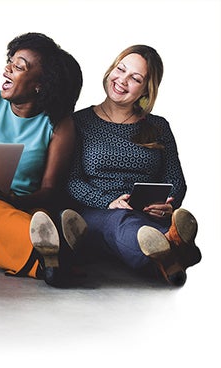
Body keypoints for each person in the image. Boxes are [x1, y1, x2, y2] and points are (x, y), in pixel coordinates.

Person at [0, 32, 83, 287]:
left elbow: (49, 190)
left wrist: (14, 199)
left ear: (39, 84)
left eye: (18, 66)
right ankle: (60, 254)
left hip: (28, 205)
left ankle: (52, 255)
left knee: (38, 217)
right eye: (10, 61)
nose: (6, 70)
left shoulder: (59, 124)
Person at [66, 45, 199, 286]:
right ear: (111, 70)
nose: (122, 80)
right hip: (101, 211)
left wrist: (168, 205)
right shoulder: (79, 121)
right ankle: (175, 248)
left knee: (144, 225)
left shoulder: (158, 126)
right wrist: (107, 201)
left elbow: (176, 180)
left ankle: (166, 248)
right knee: (122, 223)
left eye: (135, 78)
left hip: (148, 212)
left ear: (146, 90)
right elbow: (72, 179)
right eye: (121, 69)